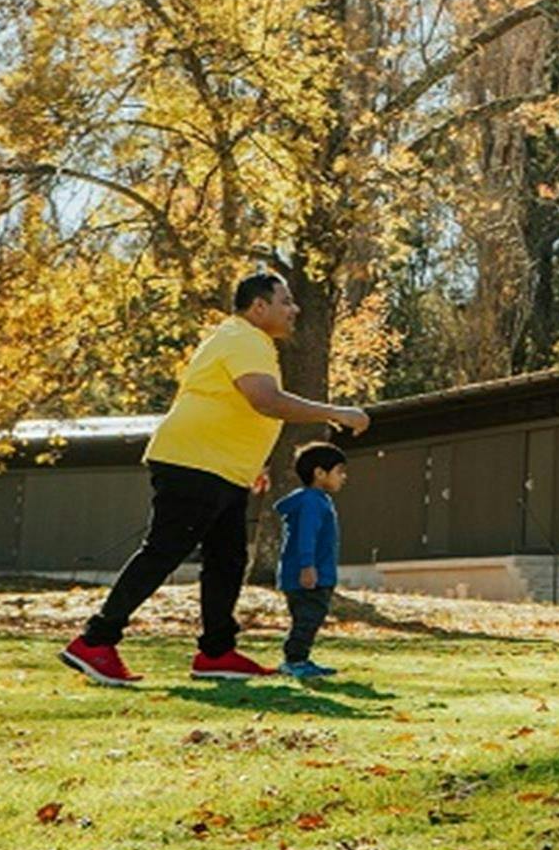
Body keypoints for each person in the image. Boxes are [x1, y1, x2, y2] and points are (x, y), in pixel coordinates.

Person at [60, 272, 370, 687]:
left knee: (227, 560)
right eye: (286, 301)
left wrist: (249, 465)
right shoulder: (245, 339)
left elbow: (235, 406)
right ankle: (94, 642)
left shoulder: (242, 339)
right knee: (164, 551)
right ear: (258, 307)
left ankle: (217, 652)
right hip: (195, 463)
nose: (294, 309)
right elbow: (265, 401)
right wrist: (336, 412)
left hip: (221, 469)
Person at [276, 442, 348, 680]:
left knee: (307, 619)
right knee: (308, 620)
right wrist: (308, 566)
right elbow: (307, 535)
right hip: (309, 575)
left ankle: (300, 659)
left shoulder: (315, 500)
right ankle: (294, 661)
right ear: (319, 473)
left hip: (310, 574)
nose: (343, 477)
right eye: (339, 471)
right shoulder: (312, 502)